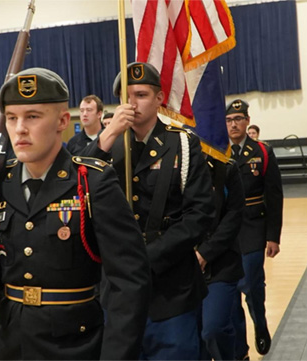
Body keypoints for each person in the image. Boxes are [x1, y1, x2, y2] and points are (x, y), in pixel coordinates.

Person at [0, 68, 151, 360]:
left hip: (74, 346)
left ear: (63, 121)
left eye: (32, 116)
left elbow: (129, 282)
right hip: (9, 344)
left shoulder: (92, 181)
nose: (19, 129)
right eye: (12, 118)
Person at [83, 62, 214, 360]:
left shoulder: (182, 144)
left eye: (141, 94)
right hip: (116, 288)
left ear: (159, 98)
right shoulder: (108, 145)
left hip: (170, 286)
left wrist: (147, 259)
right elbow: (79, 192)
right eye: (125, 96)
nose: (132, 103)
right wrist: (108, 135)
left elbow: (201, 214)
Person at [226, 99, 283, 360]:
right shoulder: (217, 151)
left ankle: (260, 322)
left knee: (251, 285)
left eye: (238, 119)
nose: (233, 124)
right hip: (226, 230)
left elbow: (274, 195)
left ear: (247, 121)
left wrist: (273, 236)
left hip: (252, 226)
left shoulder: (262, 151)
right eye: (228, 120)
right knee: (229, 293)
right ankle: (240, 351)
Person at [196, 156, 245, 361]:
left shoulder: (227, 168)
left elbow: (234, 216)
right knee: (195, 339)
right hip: (182, 262)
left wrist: (205, 253)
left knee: (213, 329)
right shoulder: (176, 164)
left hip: (221, 261)